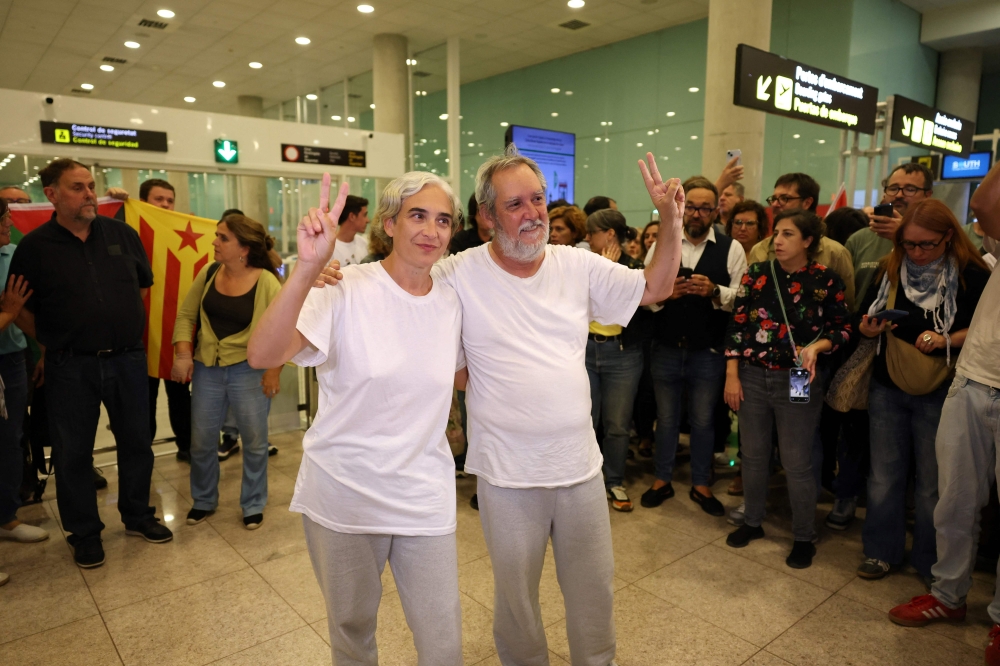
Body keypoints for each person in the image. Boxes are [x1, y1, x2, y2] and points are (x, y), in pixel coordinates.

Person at [429, 147, 681, 664]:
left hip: (579, 468)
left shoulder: (577, 265)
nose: (532, 213)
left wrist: (671, 221)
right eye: (515, 203)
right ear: (487, 216)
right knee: (516, 598)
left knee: (594, 589)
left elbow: (656, 286)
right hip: (506, 473)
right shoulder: (458, 273)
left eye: (538, 199)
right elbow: (412, 310)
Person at [247, 172, 466, 665]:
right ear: (389, 223)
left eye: (443, 220)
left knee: (443, 639)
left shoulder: (453, 301)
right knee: (352, 631)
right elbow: (263, 354)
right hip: (345, 493)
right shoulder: (343, 288)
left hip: (423, 493)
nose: (432, 230)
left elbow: (466, 376)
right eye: (417, 215)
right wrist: (306, 269)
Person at [9, 159, 172, 569]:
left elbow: (141, 289)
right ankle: (84, 533)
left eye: (90, 186)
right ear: (52, 194)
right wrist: (50, 341)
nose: (88, 195)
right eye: (77, 187)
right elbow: (19, 307)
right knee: (73, 453)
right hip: (71, 366)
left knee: (137, 441)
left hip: (127, 361)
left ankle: (137, 516)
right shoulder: (34, 248)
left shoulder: (121, 234)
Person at [885, 160, 1000, 666]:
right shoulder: (995, 242)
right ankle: (949, 596)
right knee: (953, 501)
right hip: (974, 378)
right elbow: (984, 205)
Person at [854, 199, 989, 583]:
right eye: (908, 244)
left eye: (926, 244)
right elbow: (862, 314)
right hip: (888, 382)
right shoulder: (891, 267)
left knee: (934, 484)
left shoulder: (971, 275)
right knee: (884, 476)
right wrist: (867, 327)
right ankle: (881, 552)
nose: (916, 253)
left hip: (942, 388)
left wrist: (946, 337)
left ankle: (930, 561)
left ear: (949, 236)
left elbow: (984, 330)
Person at [723, 209, 851, 569]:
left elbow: (843, 329)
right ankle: (753, 521)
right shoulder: (759, 274)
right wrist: (732, 374)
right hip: (751, 373)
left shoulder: (825, 279)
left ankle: (803, 535)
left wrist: (818, 346)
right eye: (777, 233)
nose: (777, 240)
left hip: (797, 376)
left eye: (788, 234)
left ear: (808, 241)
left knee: (796, 459)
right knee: (753, 453)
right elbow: (737, 326)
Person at [640, 178, 747, 517]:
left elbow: (743, 299)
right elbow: (642, 292)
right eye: (692, 207)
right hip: (667, 346)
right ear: (681, 208)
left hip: (709, 349)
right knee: (667, 419)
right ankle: (662, 479)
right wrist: (664, 294)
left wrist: (715, 291)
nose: (698, 214)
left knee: (703, 421)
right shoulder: (661, 242)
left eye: (705, 207)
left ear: (717, 211)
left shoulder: (731, 248)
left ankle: (701, 483)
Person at [171, 214, 283, 530]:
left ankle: (253, 503)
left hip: (250, 370)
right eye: (217, 236)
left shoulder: (266, 282)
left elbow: (283, 331)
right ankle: (204, 500)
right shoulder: (209, 273)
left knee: (255, 440)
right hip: (208, 368)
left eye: (223, 238)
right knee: (202, 440)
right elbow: (185, 315)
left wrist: (274, 371)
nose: (214, 242)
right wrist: (183, 353)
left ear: (244, 248)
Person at [584, 208, 646, 511]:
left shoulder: (635, 267)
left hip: (622, 354)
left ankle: (614, 480)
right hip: (584, 350)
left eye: (592, 232)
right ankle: (587, 481)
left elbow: (643, 306)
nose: (587, 237)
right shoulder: (585, 265)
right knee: (585, 420)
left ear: (609, 234)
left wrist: (610, 272)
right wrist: (601, 269)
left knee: (618, 424)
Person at [0, 198, 49, 557]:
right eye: (3, 218)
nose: (9, 223)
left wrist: (45, 351)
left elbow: (34, 310)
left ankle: (7, 516)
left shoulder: (15, 255)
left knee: (11, 438)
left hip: (12, 360)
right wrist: (9, 312)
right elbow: (14, 310)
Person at [846, 163, 935, 302]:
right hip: (863, 321)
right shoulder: (859, 239)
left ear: (927, 195)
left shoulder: (937, 238)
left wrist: (904, 235)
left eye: (910, 189)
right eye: (893, 189)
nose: (899, 195)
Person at [331, 195, 369, 267]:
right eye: (364, 215)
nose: (368, 220)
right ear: (352, 216)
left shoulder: (364, 243)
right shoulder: (330, 249)